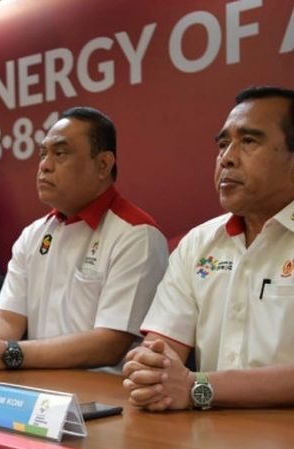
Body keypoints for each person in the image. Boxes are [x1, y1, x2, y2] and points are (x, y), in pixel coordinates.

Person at [0, 107, 168, 372]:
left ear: (103, 164)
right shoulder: (34, 234)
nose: (44, 166)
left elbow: (110, 343)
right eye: (43, 154)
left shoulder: (136, 234)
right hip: (39, 388)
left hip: (106, 398)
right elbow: (8, 319)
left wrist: (7, 353)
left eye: (60, 154)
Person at [123, 86, 294, 411]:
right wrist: (149, 370)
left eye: (249, 141)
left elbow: (188, 385)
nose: (227, 157)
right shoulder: (198, 244)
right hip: (207, 438)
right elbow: (162, 349)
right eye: (222, 144)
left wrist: (197, 386)